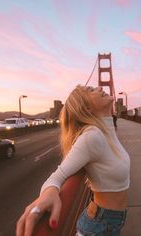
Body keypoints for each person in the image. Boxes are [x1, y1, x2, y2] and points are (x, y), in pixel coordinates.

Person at [16, 85, 130, 236]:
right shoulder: (92, 136)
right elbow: (56, 177)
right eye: (91, 90)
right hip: (97, 228)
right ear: (87, 108)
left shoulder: (106, 130)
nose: (99, 87)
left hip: (111, 223)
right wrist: (48, 193)